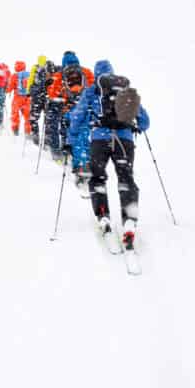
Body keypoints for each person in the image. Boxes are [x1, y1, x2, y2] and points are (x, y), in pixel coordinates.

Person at [66, 59, 150, 251]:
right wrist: (133, 126)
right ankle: (129, 219)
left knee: (97, 178)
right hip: (124, 141)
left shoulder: (93, 90)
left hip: (99, 140)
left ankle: (103, 215)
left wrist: (71, 140)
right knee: (126, 178)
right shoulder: (125, 89)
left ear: (96, 74)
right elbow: (145, 121)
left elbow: (78, 117)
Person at [26, 55, 49, 143]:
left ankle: (35, 135)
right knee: (48, 119)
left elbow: (30, 80)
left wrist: (28, 91)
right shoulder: (48, 69)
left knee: (34, 118)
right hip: (46, 97)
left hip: (36, 97)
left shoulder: (35, 68)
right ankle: (47, 138)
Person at [6, 60, 31, 136]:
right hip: (27, 98)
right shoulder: (29, 75)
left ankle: (15, 130)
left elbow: (9, 88)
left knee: (15, 115)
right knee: (28, 116)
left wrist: (6, 89)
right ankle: (28, 132)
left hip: (17, 98)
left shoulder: (14, 75)